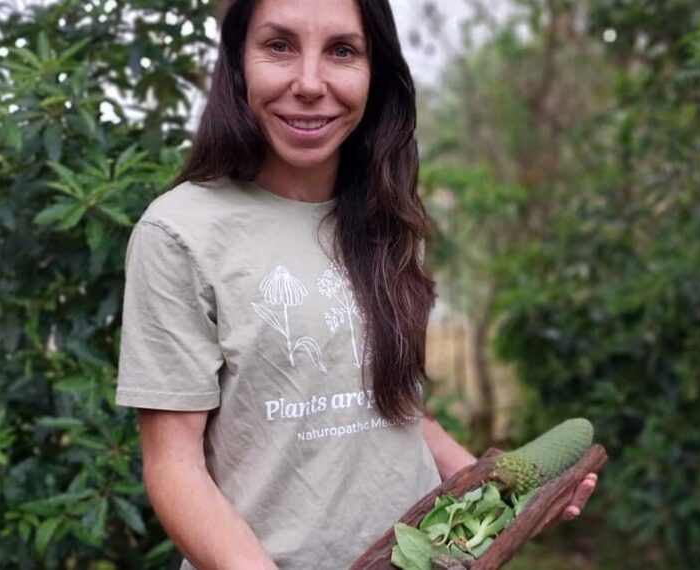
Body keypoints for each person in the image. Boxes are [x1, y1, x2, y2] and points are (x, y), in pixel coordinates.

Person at [114, 0, 598, 568]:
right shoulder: (180, 233)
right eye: (280, 45)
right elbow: (174, 467)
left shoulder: (388, 221)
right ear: (239, 62)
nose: (311, 82)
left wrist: (500, 494)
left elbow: (400, 408)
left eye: (343, 50)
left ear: (376, 73)